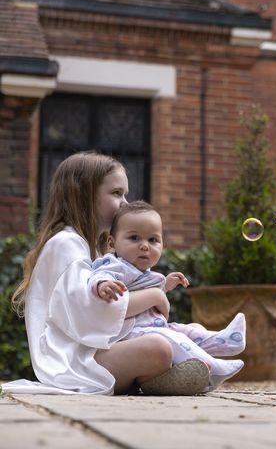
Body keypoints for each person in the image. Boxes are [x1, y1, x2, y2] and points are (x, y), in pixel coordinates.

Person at [2, 152, 208, 396]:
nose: (125, 203)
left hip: (95, 350)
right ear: (85, 195)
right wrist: (154, 296)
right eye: (116, 193)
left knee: (184, 336)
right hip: (75, 362)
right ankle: (156, 375)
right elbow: (94, 313)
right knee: (159, 349)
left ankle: (162, 374)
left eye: (125, 194)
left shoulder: (95, 249)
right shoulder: (66, 244)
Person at [88, 200, 245, 391]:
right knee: (169, 337)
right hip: (132, 334)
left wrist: (166, 285)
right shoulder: (116, 264)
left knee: (189, 330)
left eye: (153, 240)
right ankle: (213, 367)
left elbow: (145, 294)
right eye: (135, 238)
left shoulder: (144, 272)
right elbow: (100, 274)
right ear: (112, 243)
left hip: (150, 327)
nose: (145, 246)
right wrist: (102, 285)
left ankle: (225, 342)